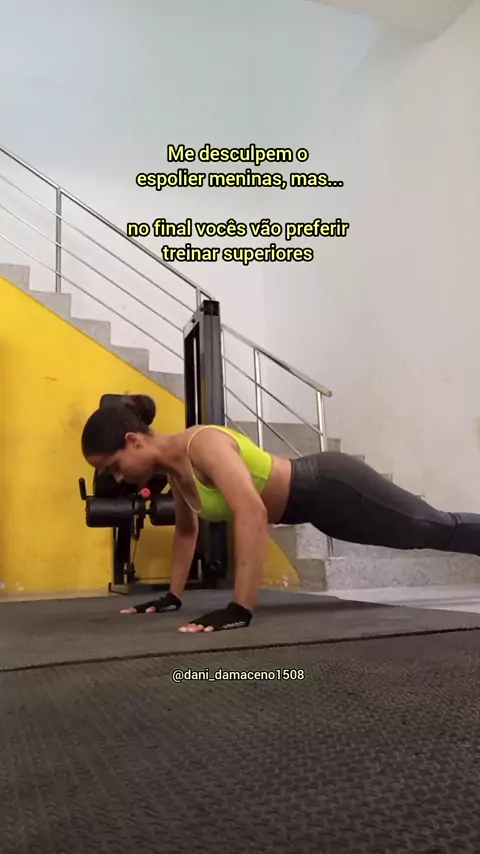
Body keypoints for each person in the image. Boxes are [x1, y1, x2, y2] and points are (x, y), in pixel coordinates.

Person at [81, 394, 480, 633]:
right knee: (418, 537)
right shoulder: (175, 470)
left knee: (430, 527)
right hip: (318, 510)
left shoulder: (201, 444)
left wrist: (240, 608)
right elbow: (186, 532)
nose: (118, 477)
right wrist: (172, 596)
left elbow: (251, 511)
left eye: (114, 466)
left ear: (134, 442)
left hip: (331, 484)